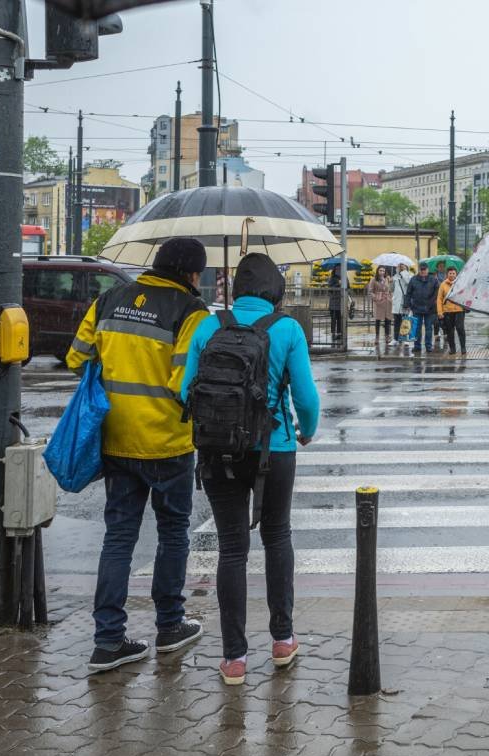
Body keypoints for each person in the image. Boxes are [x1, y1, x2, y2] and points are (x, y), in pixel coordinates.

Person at [66, 237, 210, 673]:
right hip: (168, 443)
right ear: (191, 273)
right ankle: (170, 626)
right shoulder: (191, 312)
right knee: (173, 533)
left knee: (119, 537)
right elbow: (184, 383)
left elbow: (76, 357)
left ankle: (108, 641)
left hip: (115, 438)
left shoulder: (109, 299)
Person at [180, 253, 320, 685]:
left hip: (218, 450)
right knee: (277, 537)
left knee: (231, 549)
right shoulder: (287, 329)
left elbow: (185, 391)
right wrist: (306, 431)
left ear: (236, 288)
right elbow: (306, 398)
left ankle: (234, 658)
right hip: (274, 451)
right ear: (275, 289)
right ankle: (282, 640)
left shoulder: (208, 326)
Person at [405, 262, 440, 354]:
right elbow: (408, 293)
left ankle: (428, 346)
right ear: (419, 270)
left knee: (429, 328)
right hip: (416, 308)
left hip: (430, 308)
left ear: (427, 270)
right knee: (417, 328)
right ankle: (417, 346)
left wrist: (432, 303)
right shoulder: (413, 279)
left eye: (424, 269)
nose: (423, 271)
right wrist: (407, 304)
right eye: (421, 269)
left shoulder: (433, 280)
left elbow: (437, 293)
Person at [436, 266, 467, 355]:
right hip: (448, 311)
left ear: (456, 274)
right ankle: (452, 348)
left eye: (453, 273)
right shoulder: (443, 285)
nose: (452, 275)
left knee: (460, 329)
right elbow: (439, 299)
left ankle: (463, 347)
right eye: (450, 273)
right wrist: (440, 312)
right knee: (449, 331)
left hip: (459, 310)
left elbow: (465, 295)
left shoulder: (460, 283)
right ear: (447, 274)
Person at [368, 267, 394, 350]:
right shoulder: (373, 279)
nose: (382, 272)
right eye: (380, 270)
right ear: (377, 271)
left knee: (387, 319)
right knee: (378, 320)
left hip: (387, 301)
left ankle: (387, 336)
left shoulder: (387, 279)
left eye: (383, 271)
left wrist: (391, 297)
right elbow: (370, 291)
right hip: (379, 301)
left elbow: (390, 290)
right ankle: (377, 336)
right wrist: (376, 298)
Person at [391, 263, 410, 347]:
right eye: (399, 266)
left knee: (405, 321)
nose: (400, 267)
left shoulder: (408, 275)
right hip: (396, 302)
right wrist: (390, 282)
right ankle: (395, 339)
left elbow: (408, 282)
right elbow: (391, 289)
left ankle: (405, 338)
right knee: (396, 322)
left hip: (404, 302)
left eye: (402, 266)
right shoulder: (395, 276)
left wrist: (404, 272)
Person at [327, 263, 344, 346]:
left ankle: (339, 333)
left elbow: (348, 286)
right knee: (333, 318)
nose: (339, 271)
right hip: (333, 301)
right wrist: (338, 284)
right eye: (337, 269)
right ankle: (333, 333)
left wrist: (344, 283)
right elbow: (330, 289)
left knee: (340, 318)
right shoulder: (332, 278)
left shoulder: (344, 277)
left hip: (341, 301)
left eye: (340, 269)